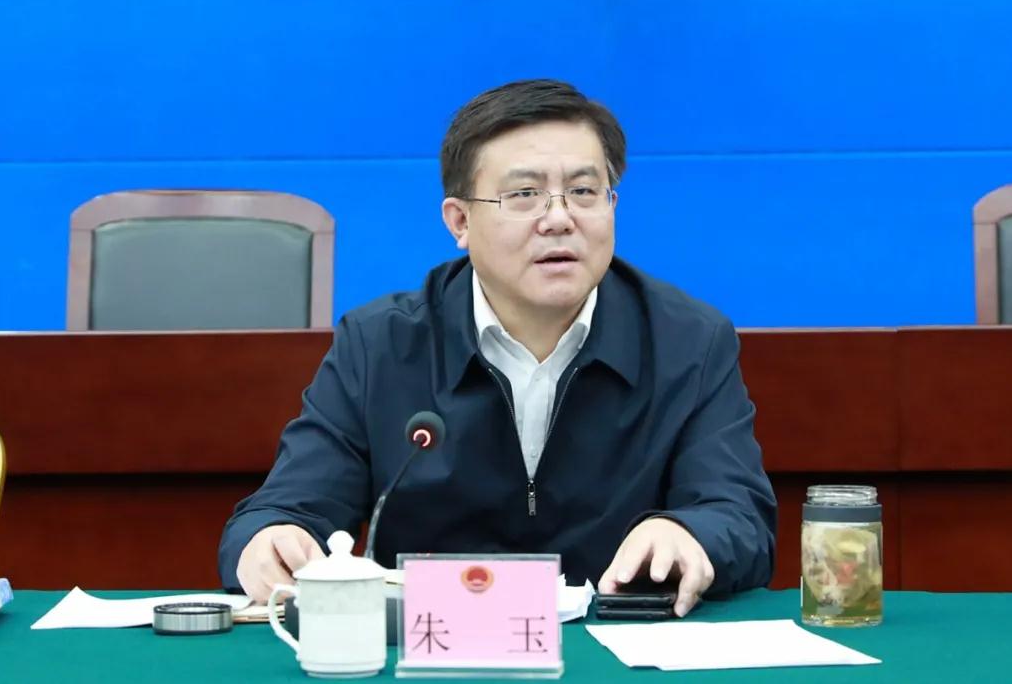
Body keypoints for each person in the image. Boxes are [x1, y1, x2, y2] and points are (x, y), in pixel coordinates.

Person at [218, 79, 776, 617]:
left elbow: (739, 517)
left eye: (584, 192)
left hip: (618, 646)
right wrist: (270, 539)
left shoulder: (688, 341)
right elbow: (283, 509)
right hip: (432, 647)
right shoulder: (381, 344)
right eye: (524, 195)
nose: (559, 219)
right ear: (460, 221)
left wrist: (689, 533)